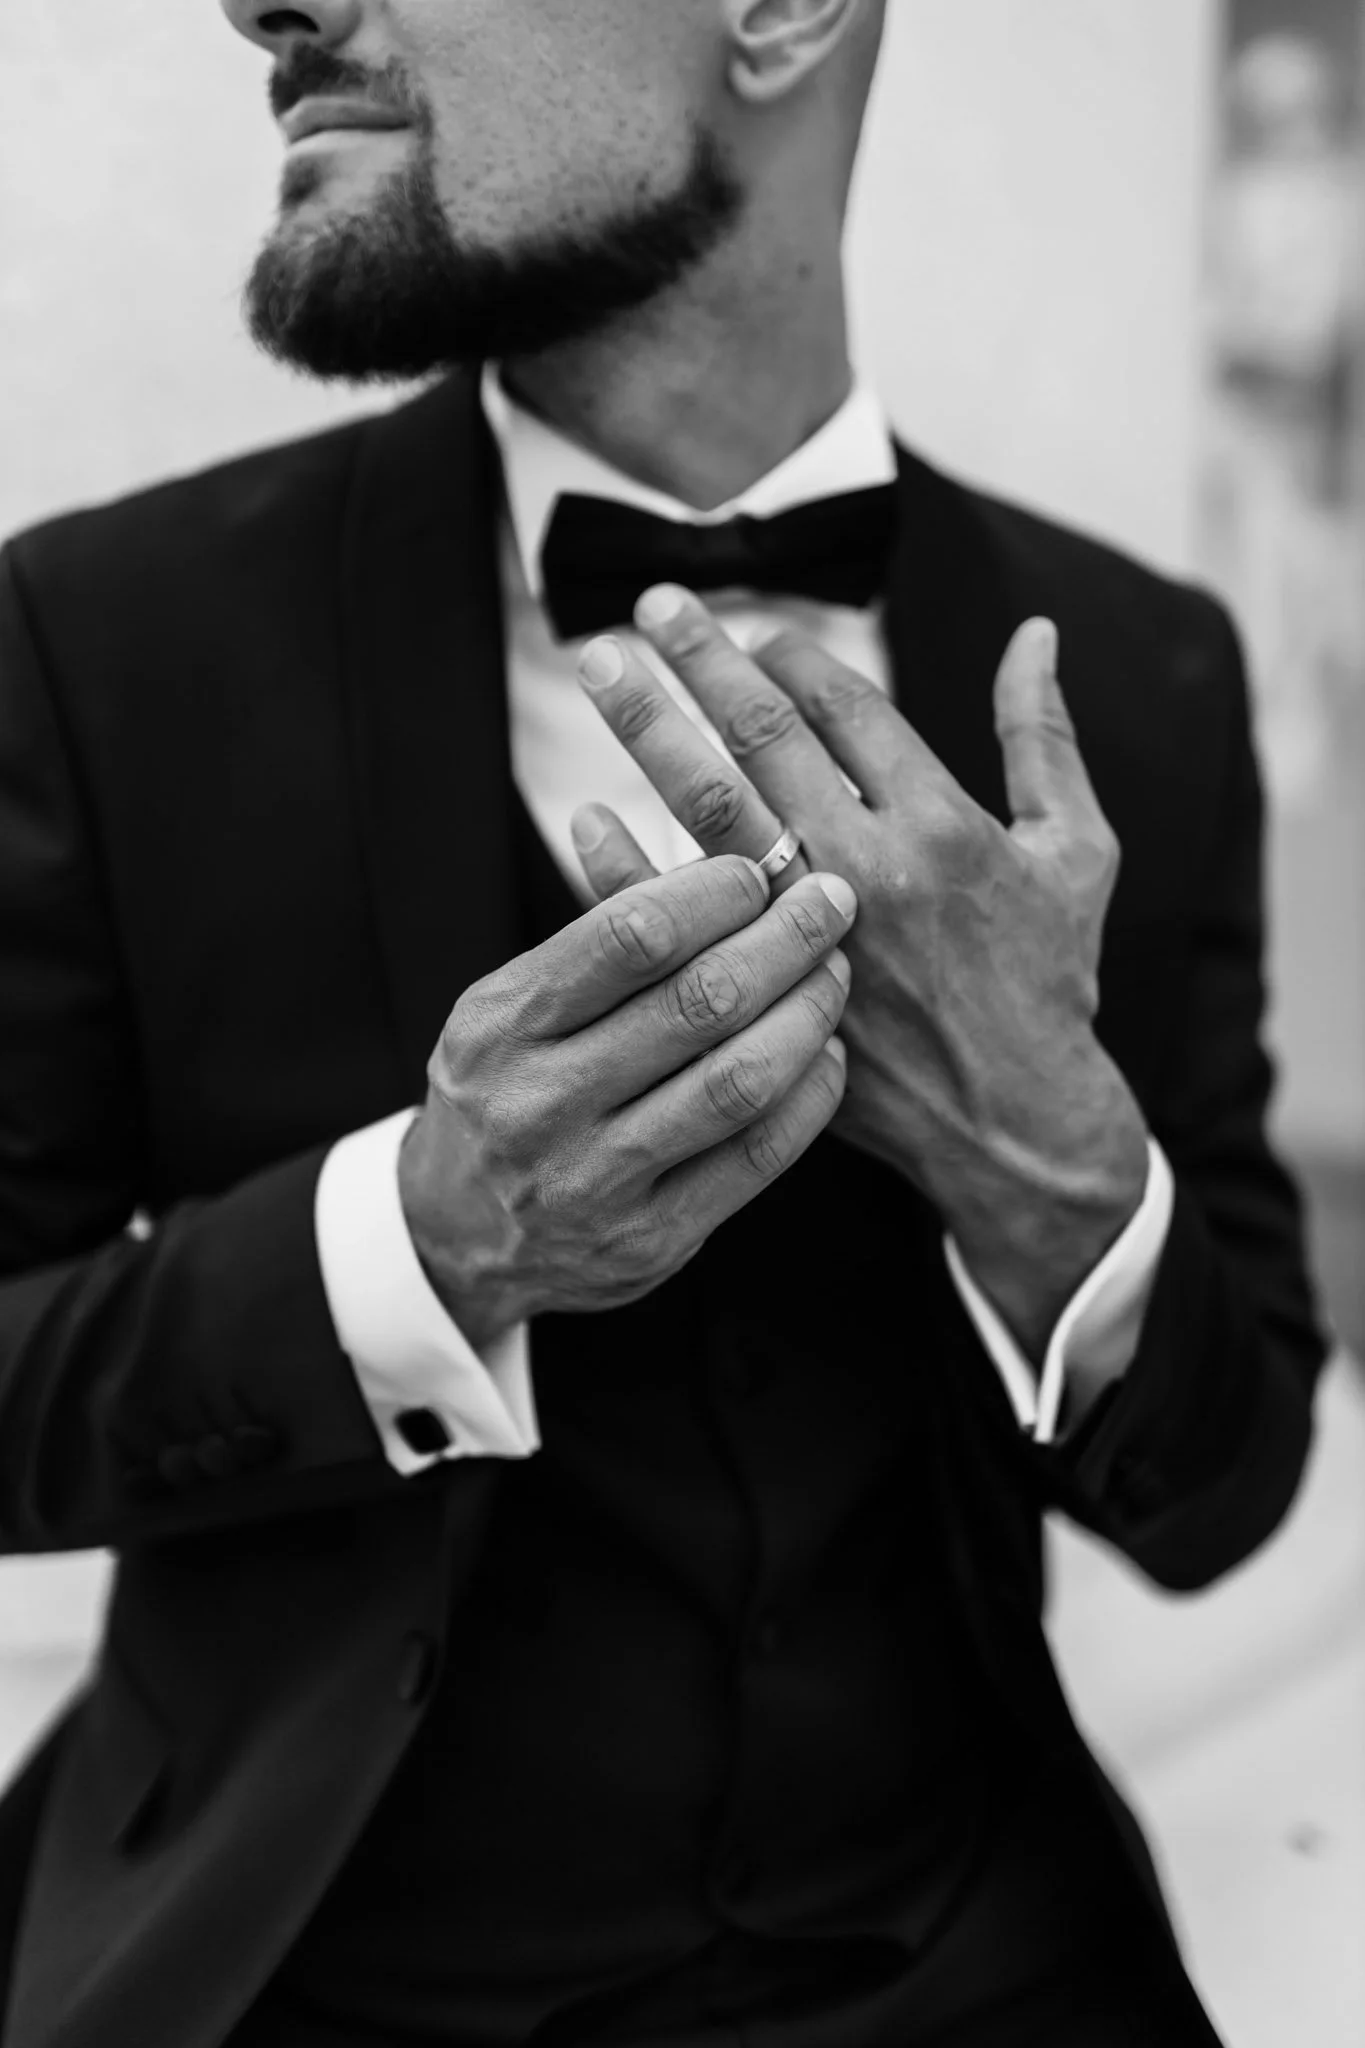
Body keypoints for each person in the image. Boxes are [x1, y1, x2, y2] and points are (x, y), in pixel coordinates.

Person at [0, 4, 1327, 2045]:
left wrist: (1050, 1167)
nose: (261, 4)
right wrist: (412, 1248)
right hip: (309, 1977)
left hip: (975, 1971)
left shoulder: (1136, 673)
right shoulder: (104, 640)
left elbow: (1228, 1495)